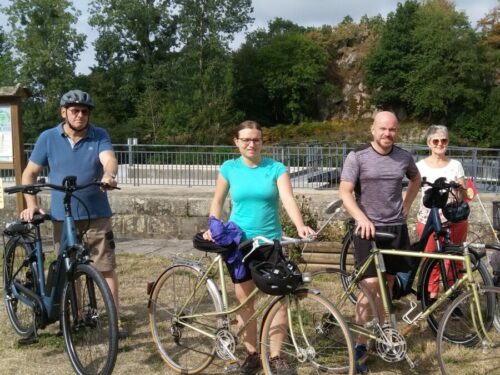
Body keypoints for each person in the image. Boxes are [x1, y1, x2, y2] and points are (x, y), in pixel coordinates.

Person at [203, 120, 316, 375]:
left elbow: (287, 198)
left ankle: (276, 356)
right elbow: (217, 201)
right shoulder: (229, 168)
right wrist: (212, 224)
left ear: (262, 142)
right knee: (245, 301)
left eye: (256, 139)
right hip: (239, 242)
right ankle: (252, 353)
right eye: (246, 139)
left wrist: (299, 226)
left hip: (269, 243)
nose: (251, 144)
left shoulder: (276, 168)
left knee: (281, 299)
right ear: (237, 142)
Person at [19, 89, 128, 340]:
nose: (80, 115)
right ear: (63, 112)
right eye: (75, 111)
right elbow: (29, 174)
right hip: (62, 216)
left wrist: (108, 175)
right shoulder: (48, 137)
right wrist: (32, 203)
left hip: (96, 213)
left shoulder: (98, 134)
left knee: (106, 267)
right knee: (70, 270)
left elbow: (109, 159)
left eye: (84, 111)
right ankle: (77, 317)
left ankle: (114, 319)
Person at [339, 111, 421, 373]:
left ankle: (385, 335)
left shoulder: (403, 157)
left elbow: (416, 179)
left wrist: (407, 204)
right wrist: (360, 218)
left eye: (393, 130)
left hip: (395, 228)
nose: (388, 134)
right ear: (373, 130)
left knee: (387, 286)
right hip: (368, 230)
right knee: (370, 287)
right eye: (383, 129)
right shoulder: (358, 156)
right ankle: (362, 343)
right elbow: (345, 191)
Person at [415, 125, 467, 299]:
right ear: (429, 143)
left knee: (455, 259)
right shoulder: (419, 166)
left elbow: (463, 194)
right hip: (429, 218)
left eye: (443, 140)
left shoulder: (456, 165)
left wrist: (461, 190)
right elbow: (413, 191)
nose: (440, 144)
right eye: (435, 141)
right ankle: (431, 296)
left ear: (447, 142)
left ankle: (455, 297)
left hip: (454, 218)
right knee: (431, 260)